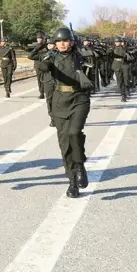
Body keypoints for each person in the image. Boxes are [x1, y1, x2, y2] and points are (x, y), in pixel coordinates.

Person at [39, 27, 93, 198]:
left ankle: (80, 165)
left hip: (79, 99)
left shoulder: (80, 56)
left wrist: (80, 60)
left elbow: (91, 62)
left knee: (74, 132)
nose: (61, 44)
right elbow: (42, 66)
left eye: (65, 40)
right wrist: (45, 64)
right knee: (64, 144)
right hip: (59, 101)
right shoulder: (51, 57)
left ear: (71, 42)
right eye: (58, 41)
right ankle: (72, 182)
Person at [29, 37, 56, 127]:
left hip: (58, 80)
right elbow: (30, 56)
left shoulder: (59, 55)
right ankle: (52, 118)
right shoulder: (43, 54)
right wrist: (38, 47)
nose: (49, 46)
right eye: (48, 44)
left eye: (51, 44)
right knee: (49, 100)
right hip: (48, 80)